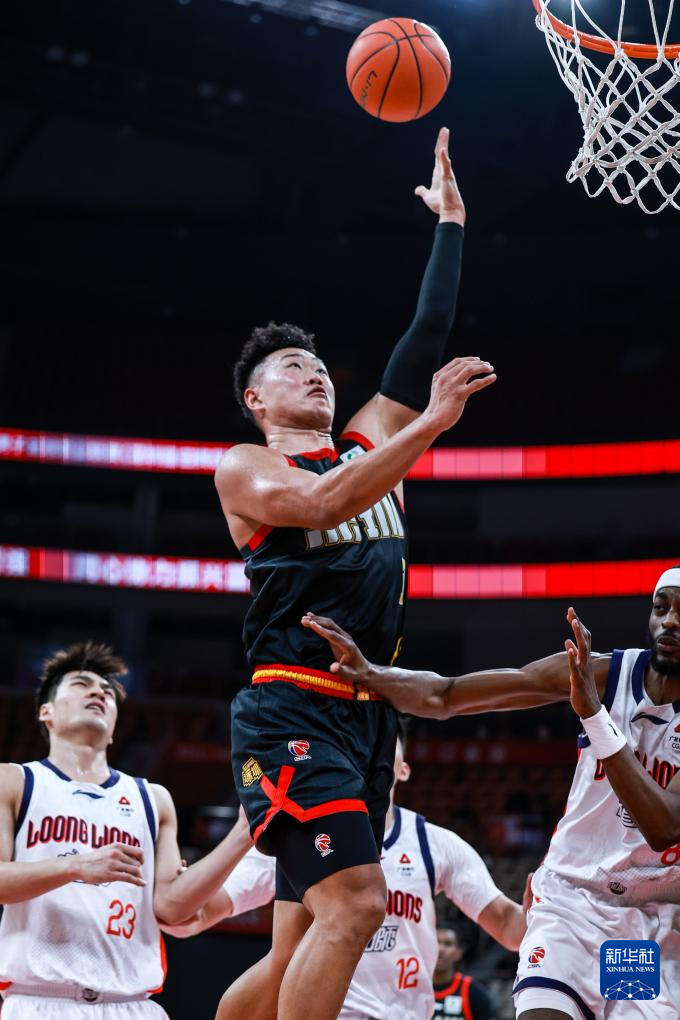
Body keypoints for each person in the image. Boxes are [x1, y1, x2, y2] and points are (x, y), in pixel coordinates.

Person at [215, 126, 497, 1020]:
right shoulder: (249, 467)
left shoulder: (367, 442)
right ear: (257, 399)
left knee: (299, 944)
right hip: (291, 705)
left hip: (371, 712)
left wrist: (450, 225)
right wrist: (431, 428)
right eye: (292, 368)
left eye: (320, 366)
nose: (315, 374)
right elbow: (324, 503)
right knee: (360, 906)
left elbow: (426, 333)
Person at [302, 564, 680, 1020]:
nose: (670, 621)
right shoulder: (604, 673)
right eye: (661, 608)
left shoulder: (596, 699)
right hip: (572, 900)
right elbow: (447, 695)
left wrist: (594, 718)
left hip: (644, 918)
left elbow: (663, 827)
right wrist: (372, 672)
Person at [167, 720, 529, 1020]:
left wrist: (548, 907)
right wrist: (191, 878)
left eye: (382, 737)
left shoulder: (434, 843)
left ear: (403, 769)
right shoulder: (296, 837)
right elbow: (191, 917)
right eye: (360, 738)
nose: (371, 746)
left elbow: (510, 927)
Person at [0, 642, 253, 1019]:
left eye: (107, 691)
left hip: (131, 1004)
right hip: (40, 1001)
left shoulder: (153, 798)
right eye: (81, 684)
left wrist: (242, 835)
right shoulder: (14, 781)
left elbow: (171, 908)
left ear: (115, 727)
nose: (98, 692)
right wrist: (75, 866)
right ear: (46, 712)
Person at [433, 925, 497, 1019]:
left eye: (447, 944)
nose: (440, 949)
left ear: (458, 953)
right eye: (436, 942)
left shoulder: (473, 992)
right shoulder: (414, 986)